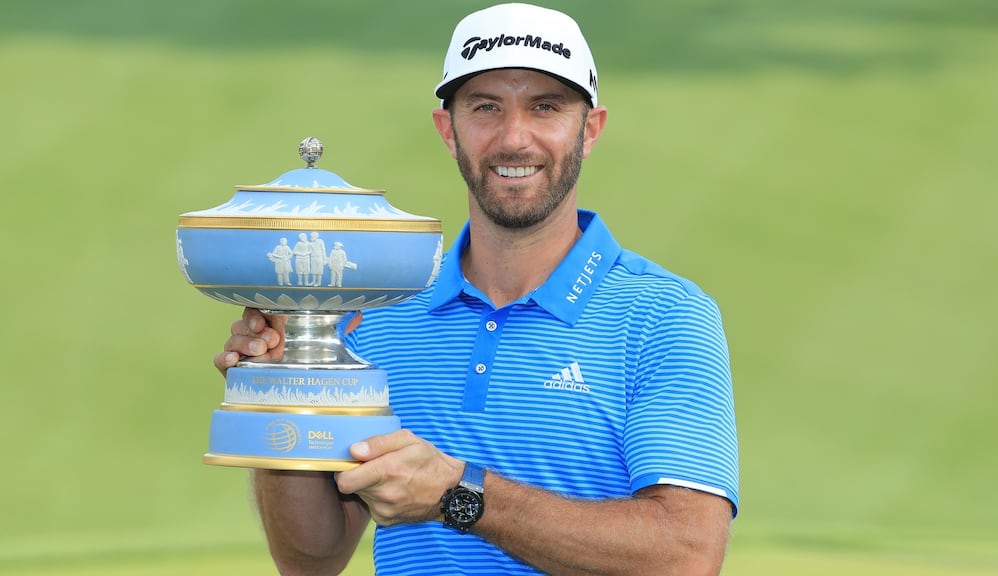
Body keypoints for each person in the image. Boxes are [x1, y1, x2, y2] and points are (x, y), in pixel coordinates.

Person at [216, 3, 739, 575]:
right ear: (449, 129)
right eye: (486, 108)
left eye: (546, 107)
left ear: (590, 129)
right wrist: (281, 389)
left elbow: (686, 556)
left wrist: (458, 494)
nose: (515, 138)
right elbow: (309, 557)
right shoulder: (380, 313)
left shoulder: (665, 315)